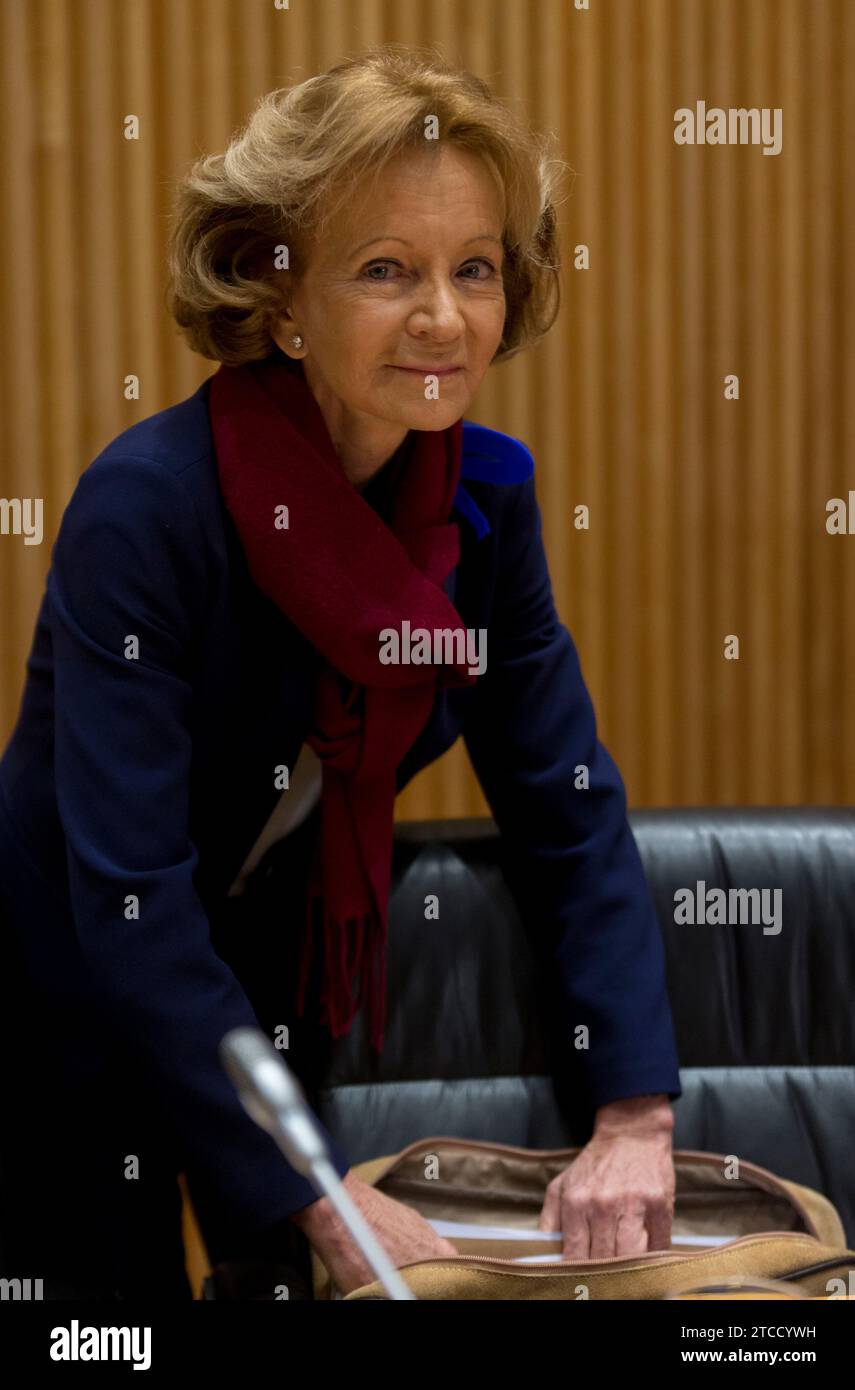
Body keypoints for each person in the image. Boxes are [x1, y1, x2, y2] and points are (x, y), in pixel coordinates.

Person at [0, 45, 681, 1301]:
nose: (441, 317)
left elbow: (563, 802)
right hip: (73, 988)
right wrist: (312, 1187)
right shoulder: (146, 508)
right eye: (385, 270)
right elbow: (131, 893)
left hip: (271, 981)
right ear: (281, 292)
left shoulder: (488, 497)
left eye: (471, 269)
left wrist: (632, 1109)